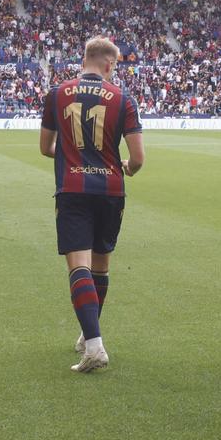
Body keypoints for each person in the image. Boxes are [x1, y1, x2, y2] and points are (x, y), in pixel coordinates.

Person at [39, 37, 144, 374]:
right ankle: (88, 334)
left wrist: (72, 158)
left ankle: (95, 346)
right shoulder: (123, 99)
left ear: (84, 59)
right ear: (110, 64)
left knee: (78, 266)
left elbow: (45, 147)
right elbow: (139, 159)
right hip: (112, 190)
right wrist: (125, 165)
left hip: (73, 187)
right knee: (100, 267)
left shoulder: (57, 93)